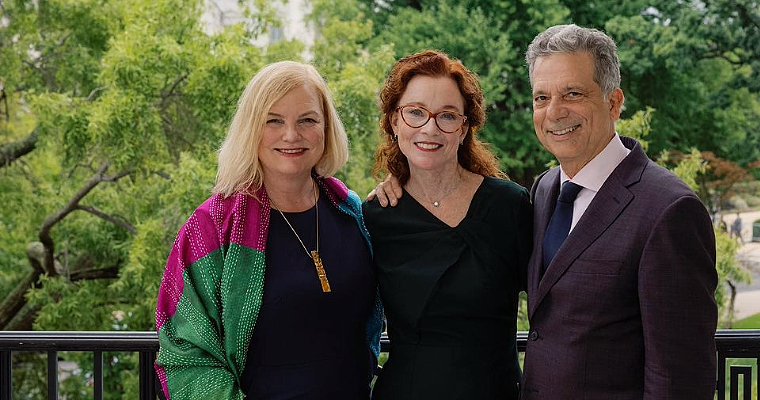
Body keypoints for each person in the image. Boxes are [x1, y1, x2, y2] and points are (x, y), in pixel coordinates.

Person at [154, 61, 383, 400]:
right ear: (251, 129)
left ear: (326, 128)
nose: (291, 135)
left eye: (307, 120)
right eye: (273, 121)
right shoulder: (212, 227)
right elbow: (185, 352)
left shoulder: (350, 212)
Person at [521, 24, 717, 399]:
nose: (554, 112)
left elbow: (680, 377)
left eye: (573, 93)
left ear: (613, 103)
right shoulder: (544, 189)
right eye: (541, 98)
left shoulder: (670, 210)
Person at [363, 50, 533, 400]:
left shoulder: (509, 205)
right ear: (394, 122)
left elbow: (556, 312)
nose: (430, 128)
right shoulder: (375, 216)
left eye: (447, 116)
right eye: (415, 112)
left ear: (465, 127)